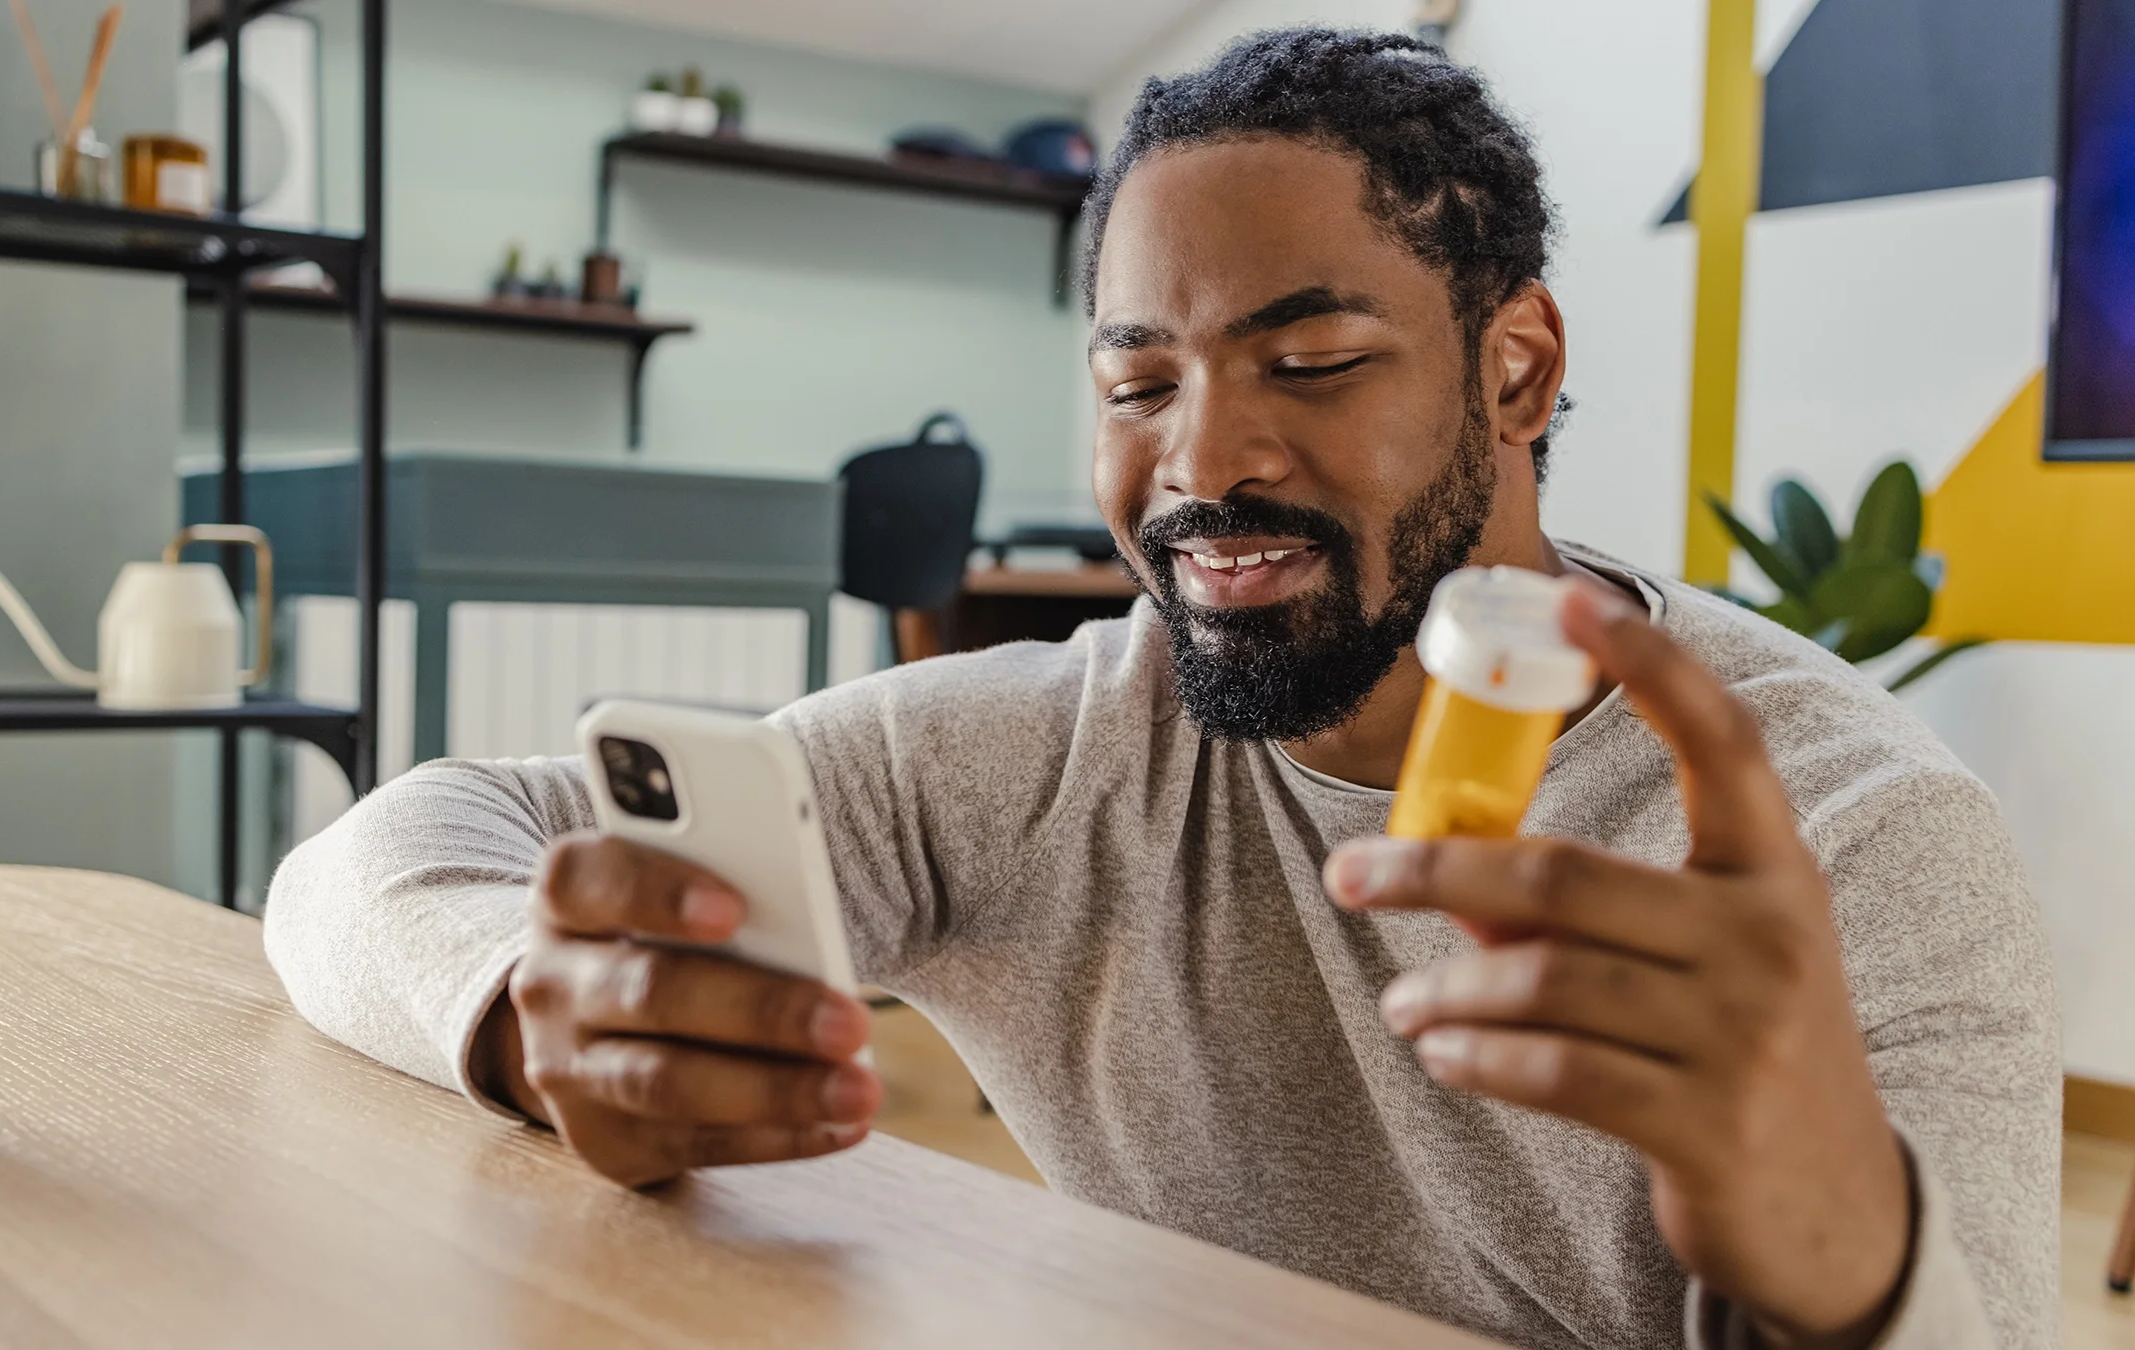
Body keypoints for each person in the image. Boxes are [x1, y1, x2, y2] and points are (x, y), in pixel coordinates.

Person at [264, 28, 2058, 1350]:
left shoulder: (1857, 836)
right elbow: (372, 858)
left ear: (1517, 368)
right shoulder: (1046, 746)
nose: (1207, 459)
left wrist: (1848, 1259)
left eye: (1313, 357)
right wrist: (524, 1002)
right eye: (1139, 385)